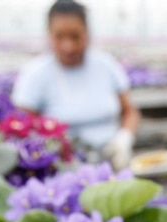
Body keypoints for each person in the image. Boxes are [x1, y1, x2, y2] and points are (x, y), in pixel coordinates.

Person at [11, 0, 141, 169]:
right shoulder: (35, 74)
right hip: (60, 167)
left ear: (87, 33)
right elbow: (22, 126)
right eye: (59, 36)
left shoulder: (106, 65)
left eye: (75, 36)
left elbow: (129, 111)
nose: (68, 46)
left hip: (110, 161)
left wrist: (124, 139)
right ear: (49, 34)